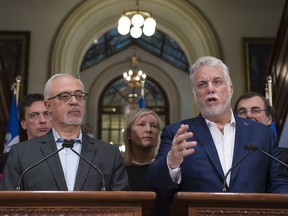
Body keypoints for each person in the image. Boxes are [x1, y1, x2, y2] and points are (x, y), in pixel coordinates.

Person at [147, 56, 288, 216]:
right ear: (195, 95)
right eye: (202, 84)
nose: (210, 89)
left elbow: (279, 182)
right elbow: (154, 182)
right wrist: (171, 162)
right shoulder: (178, 134)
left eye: (217, 82)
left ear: (230, 89)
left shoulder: (262, 134)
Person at [0, 73, 129, 191]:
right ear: (48, 106)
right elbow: (8, 205)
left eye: (79, 96)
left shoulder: (109, 155)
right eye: (64, 96)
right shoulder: (21, 154)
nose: (74, 101)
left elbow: (124, 207)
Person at [0, 93, 52, 175]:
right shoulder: (6, 160)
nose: (42, 120)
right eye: (34, 115)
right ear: (23, 123)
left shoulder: (63, 155)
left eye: (46, 114)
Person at [123, 108, 162, 191]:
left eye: (154, 126)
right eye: (141, 124)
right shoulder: (118, 168)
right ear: (129, 134)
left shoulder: (164, 166)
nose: (149, 130)